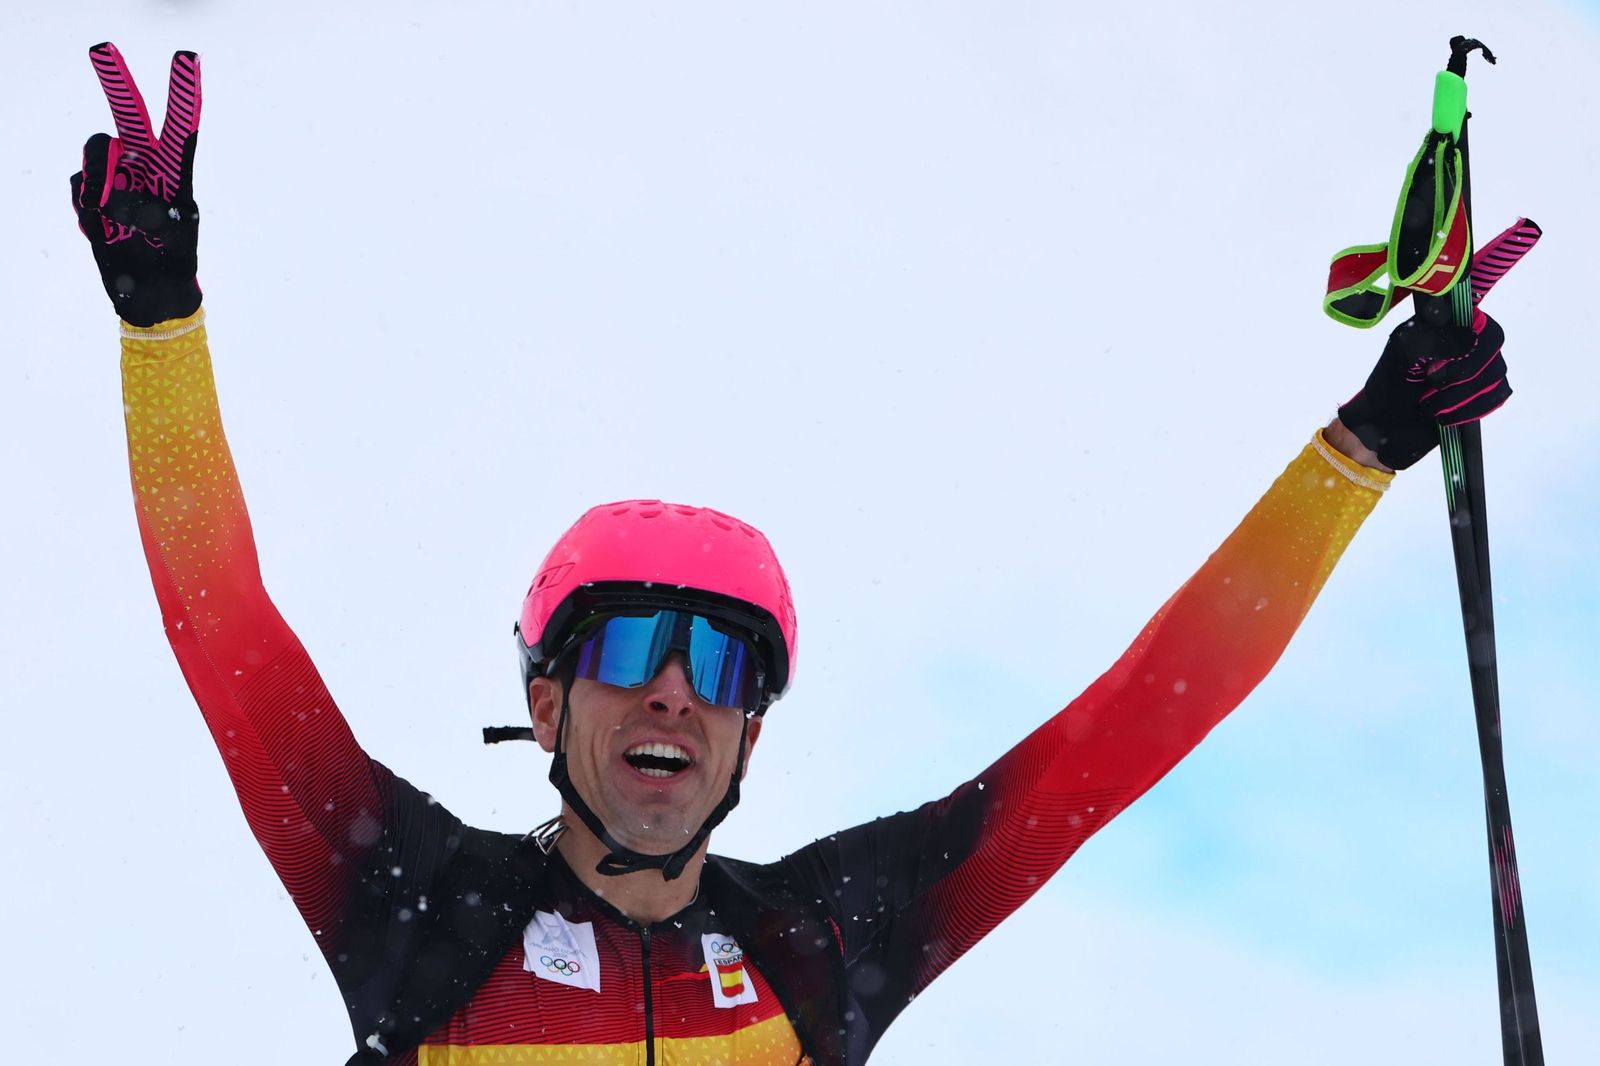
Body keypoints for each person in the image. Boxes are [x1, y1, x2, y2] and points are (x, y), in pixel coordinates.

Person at [72, 43, 1516, 1066]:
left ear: (757, 722)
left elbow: (1130, 728)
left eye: (722, 666)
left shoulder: (823, 939)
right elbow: (226, 635)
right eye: (633, 649)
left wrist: (1367, 446)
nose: (674, 697)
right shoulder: (421, 907)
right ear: (547, 695)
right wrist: (161, 327)